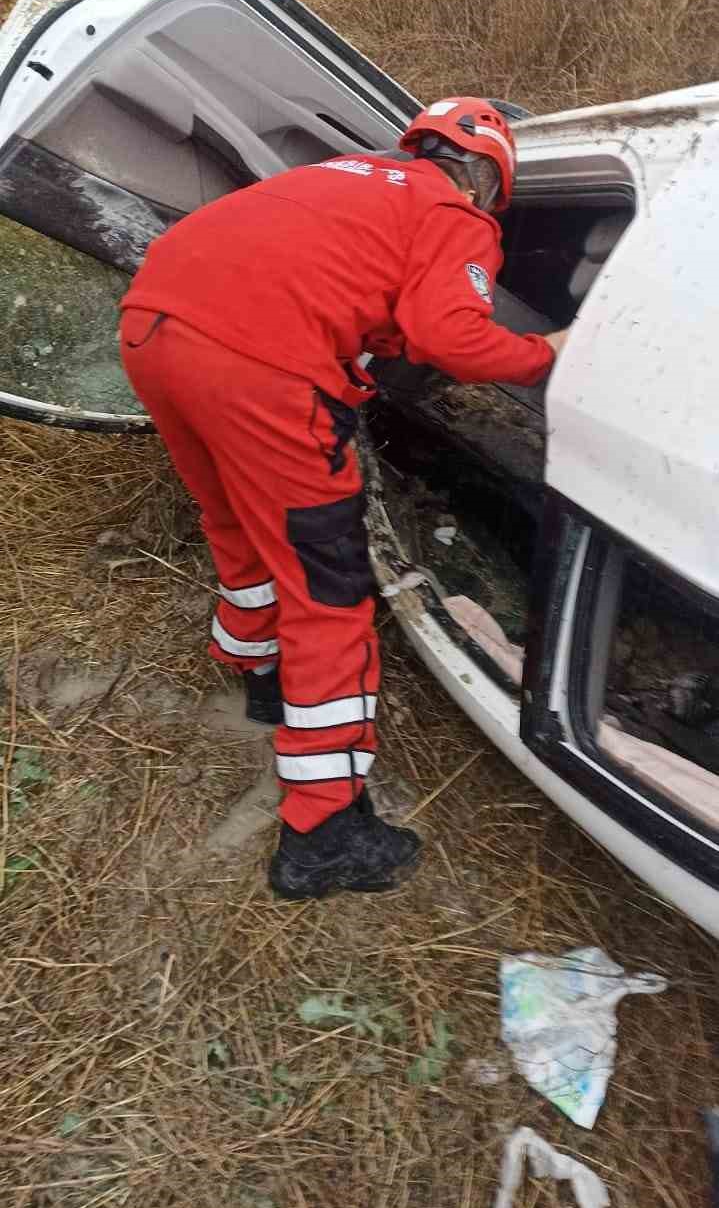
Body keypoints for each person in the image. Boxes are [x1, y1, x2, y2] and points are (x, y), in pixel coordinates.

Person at [120, 97, 567, 901]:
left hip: (153, 325)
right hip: (259, 363)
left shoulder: (342, 178)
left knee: (234, 517)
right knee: (327, 589)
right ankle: (324, 832)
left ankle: (256, 668)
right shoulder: (454, 212)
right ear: (487, 178)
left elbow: (360, 298)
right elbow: (451, 339)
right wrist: (547, 355)